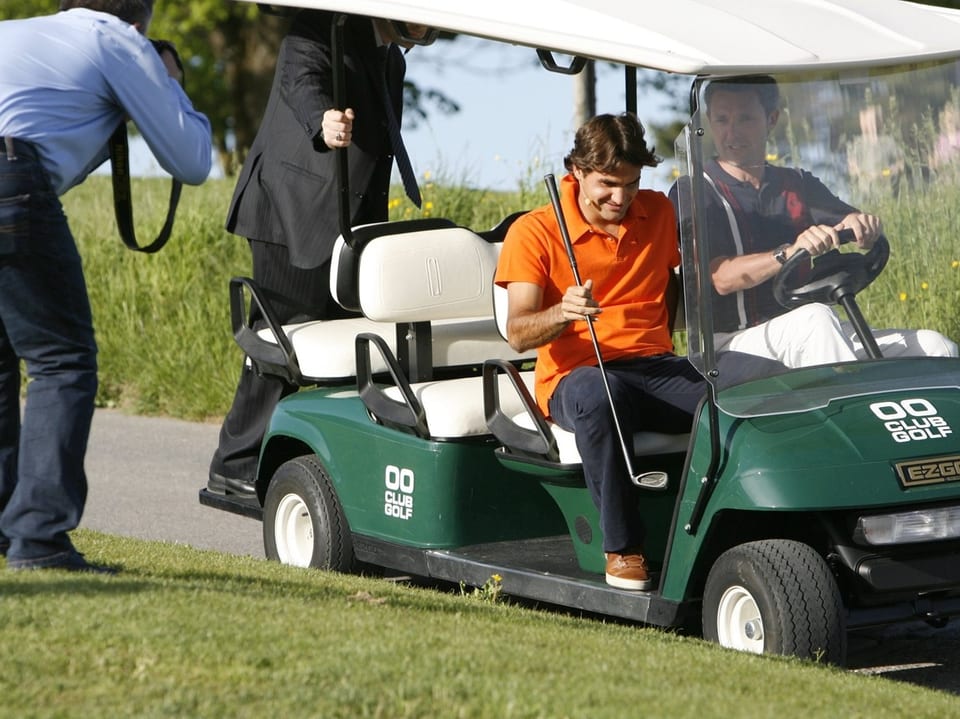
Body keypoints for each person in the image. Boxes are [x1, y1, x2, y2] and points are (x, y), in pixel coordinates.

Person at [0, 1, 212, 572]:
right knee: (62, 362)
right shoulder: (117, 39)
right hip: (10, 180)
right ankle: (39, 541)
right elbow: (191, 160)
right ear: (138, 16)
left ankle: (5, 530)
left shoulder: (15, 30)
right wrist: (169, 83)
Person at [209, 10, 435, 498]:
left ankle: (313, 464)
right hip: (291, 213)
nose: (426, 28)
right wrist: (324, 122)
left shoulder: (389, 57)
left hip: (349, 224)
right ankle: (236, 463)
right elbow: (302, 79)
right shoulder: (319, 25)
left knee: (341, 346)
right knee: (282, 339)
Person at [495, 113, 706, 591]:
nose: (621, 198)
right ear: (577, 171)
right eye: (608, 185)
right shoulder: (535, 231)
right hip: (576, 375)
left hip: (654, 365)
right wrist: (562, 312)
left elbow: (680, 289)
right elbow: (518, 332)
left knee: (730, 399)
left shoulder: (659, 212)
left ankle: (724, 530)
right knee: (600, 393)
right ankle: (623, 549)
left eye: (631, 184)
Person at [678, 74, 957, 367]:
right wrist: (788, 253)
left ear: (771, 120)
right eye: (722, 120)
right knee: (817, 319)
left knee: (936, 347)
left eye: (745, 118)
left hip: (811, 334)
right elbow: (719, 278)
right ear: (709, 121)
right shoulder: (695, 189)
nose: (732, 132)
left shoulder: (796, 183)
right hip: (731, 345)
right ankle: (854, 410)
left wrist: (863, 226)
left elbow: (848, 218)